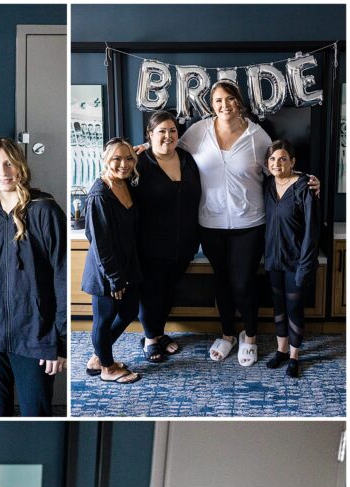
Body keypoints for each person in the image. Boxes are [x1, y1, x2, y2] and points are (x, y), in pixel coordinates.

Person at [0, 137, 67, 416]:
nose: (3, 172)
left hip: (34, 337)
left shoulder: (44, 211)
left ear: (20, 167)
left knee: (35, 414)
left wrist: (61, 342)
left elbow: (62, 276)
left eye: (8, 163)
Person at [179, 81, 271, 366]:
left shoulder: (257, 136)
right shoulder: (198, 131)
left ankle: (251, 336)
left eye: (229, 99)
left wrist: (305, 181)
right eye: (218, 100)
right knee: (222, 281)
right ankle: (228, 334)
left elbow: (278, 167)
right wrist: (145, 149)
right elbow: (170, 150)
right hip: (210, 223)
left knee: (243, 283)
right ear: (211, 104)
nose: (224, 105)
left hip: (250, 223)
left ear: (239, 101)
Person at [134, 112, 201, 363]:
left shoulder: (187, 159)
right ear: (149, 135)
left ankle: (159, 333)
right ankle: (150, 339)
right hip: (149, 244)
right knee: (151, 292)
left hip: (184, 243)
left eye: (172, 130)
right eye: (161, 131)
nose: (168, 136)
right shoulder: (139, 162)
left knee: (168, 290)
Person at [81, 137, 143, 384]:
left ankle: (99, 356)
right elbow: (100, 243)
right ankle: (106, 368)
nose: (123, 164)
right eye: (116, 158)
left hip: (128, 264)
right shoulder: (99, 194)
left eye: (128, 158)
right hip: (106, 270)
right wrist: (115, 278)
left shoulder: (126, 184)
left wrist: (142, 148)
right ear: (105, 160)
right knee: (103, 320)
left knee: (129, 311)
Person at [263, 139, 319, 379]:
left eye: (283, 158)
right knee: (279, 308)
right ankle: (282, 350)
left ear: (293, 162)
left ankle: (295, 356)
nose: (277, 163)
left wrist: (306, 265)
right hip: (274, 259)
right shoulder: (266, 184)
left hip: (297, 260)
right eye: (273, 159)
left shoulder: (305, 186)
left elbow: (311, 230)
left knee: (294, 309)